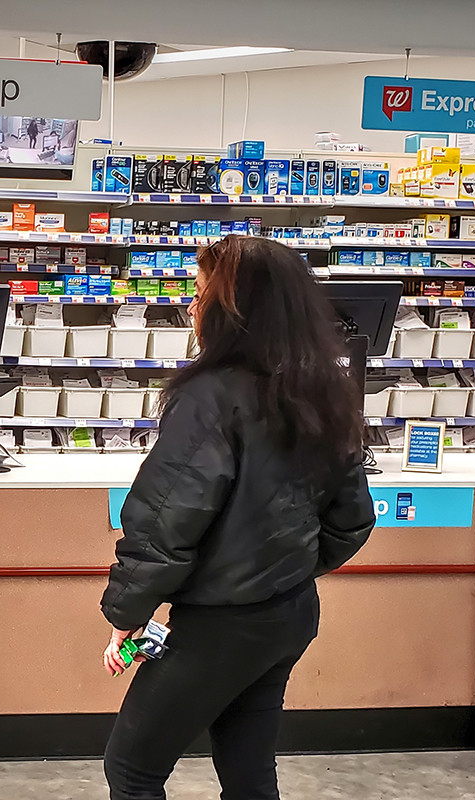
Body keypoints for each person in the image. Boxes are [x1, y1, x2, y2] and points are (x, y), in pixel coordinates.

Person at [99, 235, 375, 800]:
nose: (193, 308)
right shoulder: (324, 391)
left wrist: (127, 611)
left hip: (218, 625)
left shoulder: (210, 397)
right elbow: (351, 520)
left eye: (200, 295)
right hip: (288, 614)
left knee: (131, 768)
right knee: (249, 774)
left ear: (234, 311)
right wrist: (282, 567)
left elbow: (164, 521)